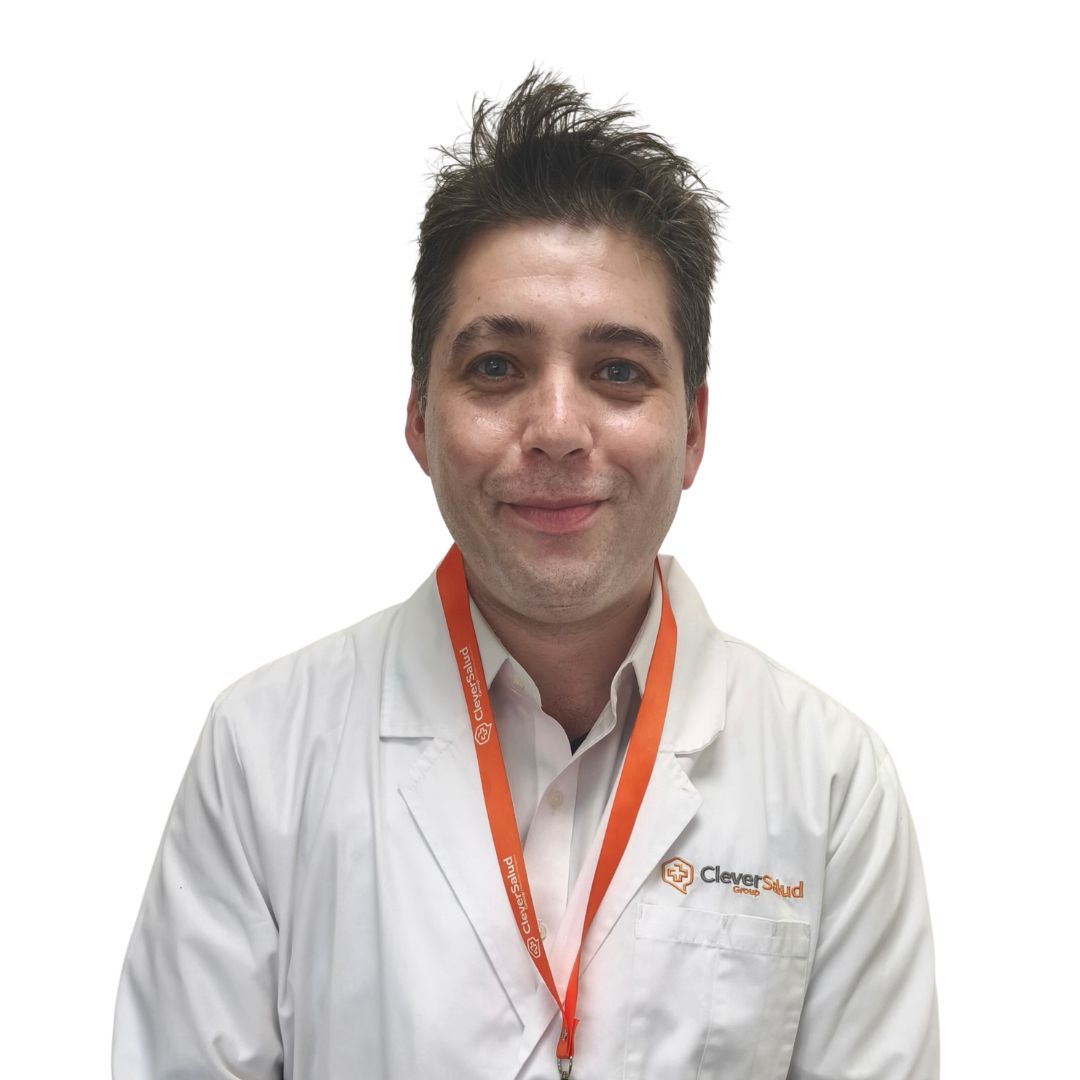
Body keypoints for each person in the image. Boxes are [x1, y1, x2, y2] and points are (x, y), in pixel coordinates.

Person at [112, 70, 939, 1079]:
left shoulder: (830, 782)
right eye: (497, 367)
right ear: (420, 418)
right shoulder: (265, 755)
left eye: (619, 371)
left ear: (694, 431)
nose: (555, 428)